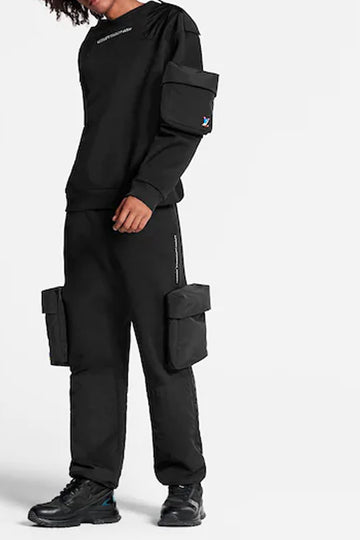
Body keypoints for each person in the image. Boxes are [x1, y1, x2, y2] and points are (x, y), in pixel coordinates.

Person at [28, 0, 218, 528]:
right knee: (90, 352)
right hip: (86, 209)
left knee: (166, 348)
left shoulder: (169, 24)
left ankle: (185, 484)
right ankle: (94, 485)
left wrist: (148, 190)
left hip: (145, 211)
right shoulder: (92, 44)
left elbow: (188, 122)